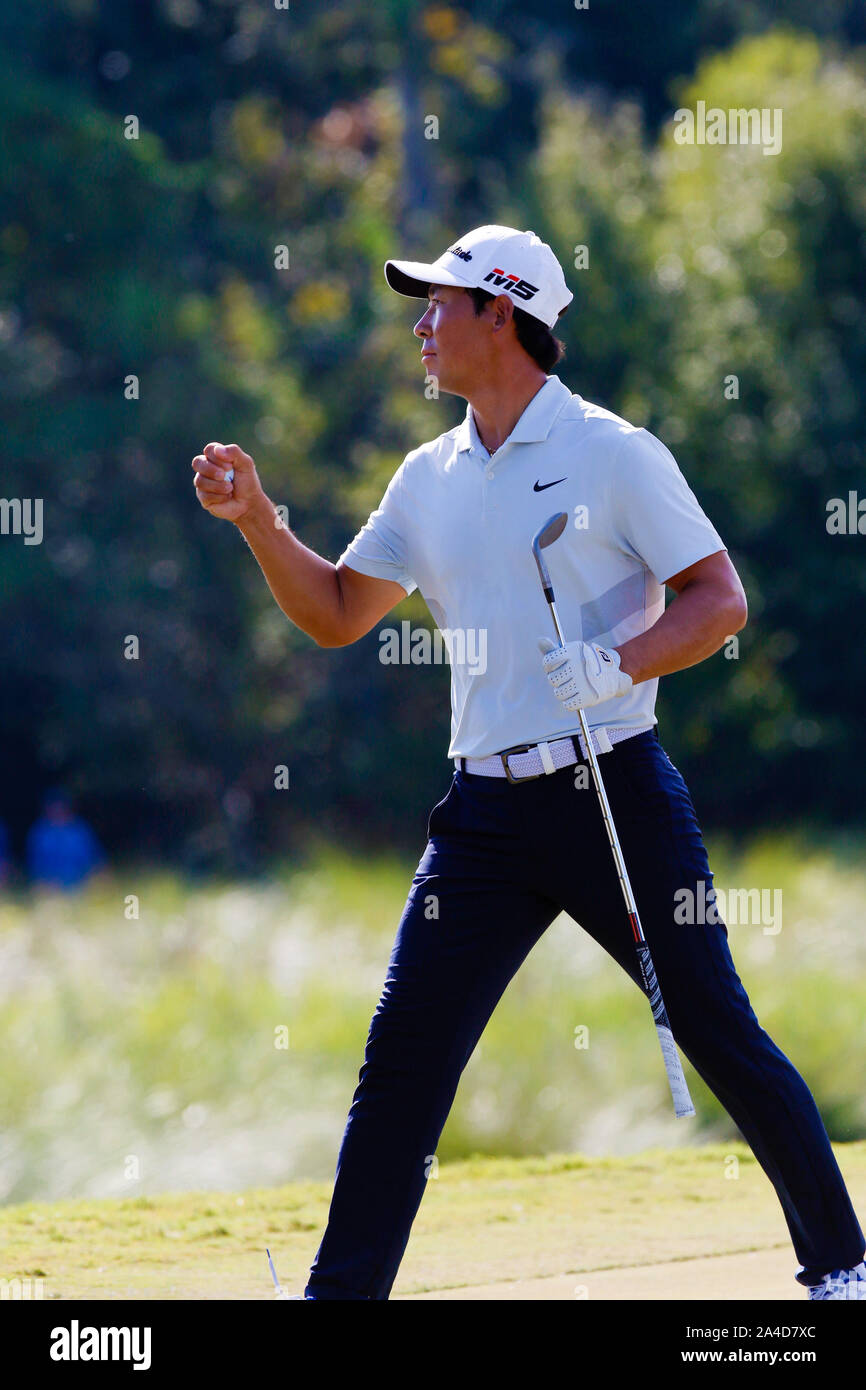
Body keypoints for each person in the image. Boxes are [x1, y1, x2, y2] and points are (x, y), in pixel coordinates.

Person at [192, 223, 865, 1301]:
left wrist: (616, 665)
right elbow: (331, 614)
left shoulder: (613, 452)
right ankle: (340, 1294)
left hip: (614, 788)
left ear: (499, 314)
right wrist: (259, 519)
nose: (419, 325)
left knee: (713, 1026)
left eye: (438, 305)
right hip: (481, 820)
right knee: (402, 1059)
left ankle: (840, 1268)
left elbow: (717, 598)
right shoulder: (428, 475)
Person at [26, 788, 105, 890]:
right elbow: (35, 868)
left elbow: (96, 859)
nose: (57, 811)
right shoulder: (39, 833)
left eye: (60, 807)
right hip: (52, 885)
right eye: (53, 807)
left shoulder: (80, 829)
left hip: (82, 881)